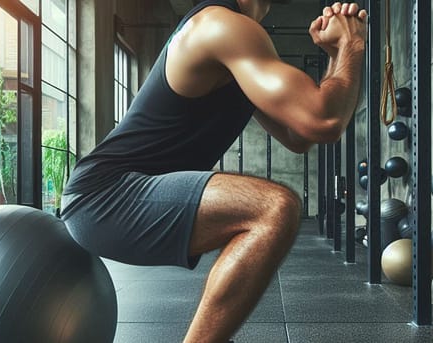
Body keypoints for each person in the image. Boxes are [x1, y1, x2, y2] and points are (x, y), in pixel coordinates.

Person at [61, 0, 367, 341]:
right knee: (274, 207)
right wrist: (353, 44)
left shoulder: (239, 34)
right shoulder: (223, 26)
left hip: (115, 194)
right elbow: (322, 120)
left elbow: (299, 135)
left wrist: (337, 54)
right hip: (107, 195)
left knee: (274, 208)